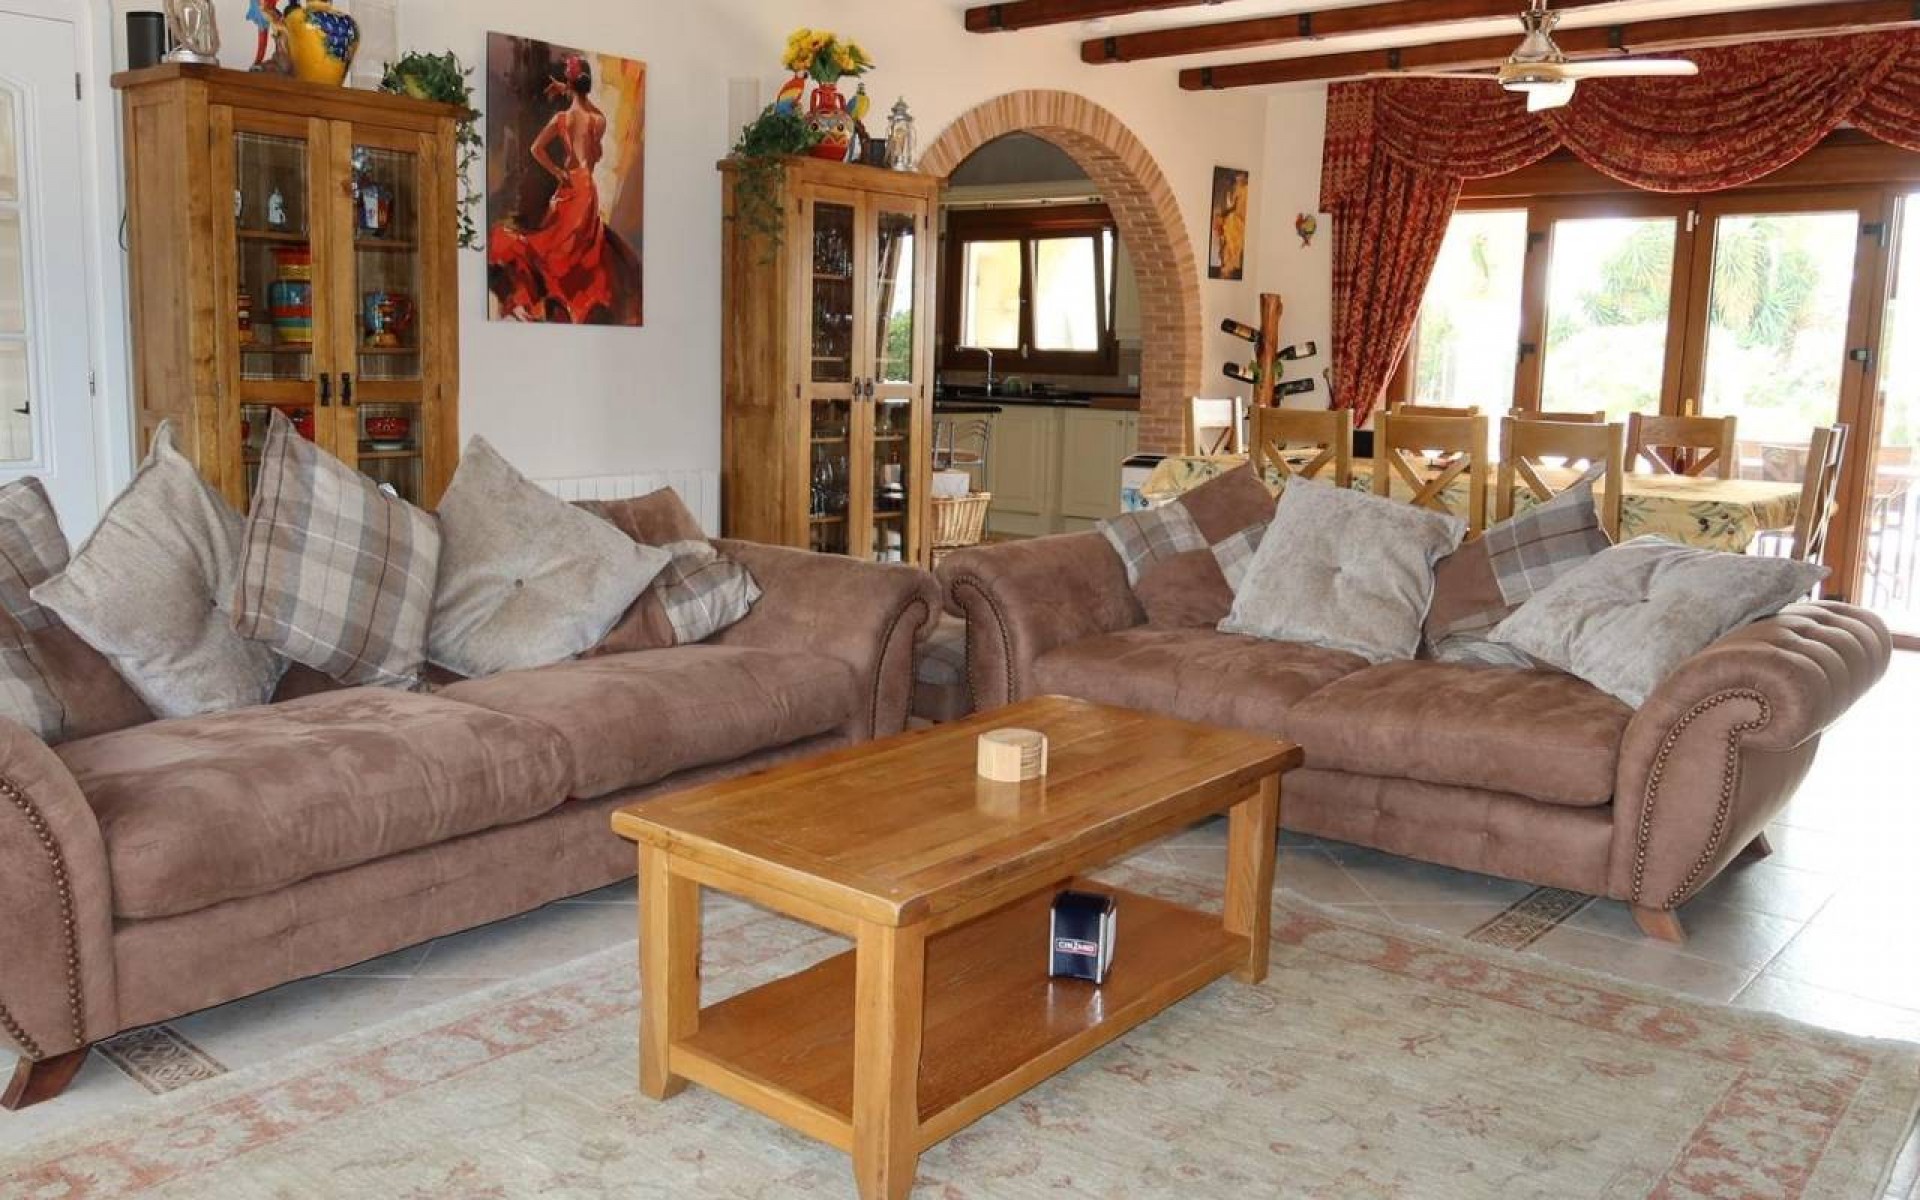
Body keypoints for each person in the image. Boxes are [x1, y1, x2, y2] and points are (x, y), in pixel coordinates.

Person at [488, 54, 642, 324]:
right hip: (587, 190)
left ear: (569, 83)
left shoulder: (562, 119)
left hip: (569, 186)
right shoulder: (598, 120)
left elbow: (536, 149)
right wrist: (571, 89)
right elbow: (595, 151)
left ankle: (553, 302)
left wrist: (557, 172)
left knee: (554, 252)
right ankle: (573, 305)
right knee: (580, 257)